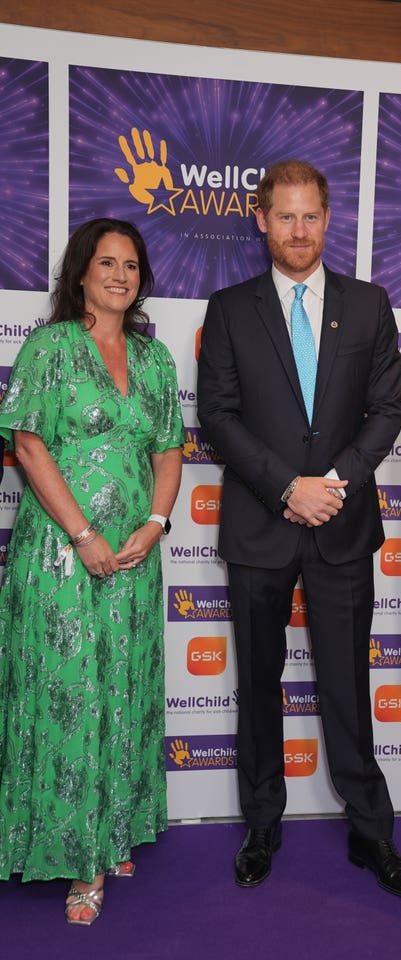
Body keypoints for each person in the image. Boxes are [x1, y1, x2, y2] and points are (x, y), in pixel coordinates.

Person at [197, 159, 401, 900]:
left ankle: (372, 832)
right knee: (258, 684)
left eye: (311, 217)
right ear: (260, 219)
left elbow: (388, 408)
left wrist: (331, 486)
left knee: (346, 688)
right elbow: (218, 415)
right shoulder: (229, 308)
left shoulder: (368, 304)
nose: (299, 231)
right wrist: (284, 487)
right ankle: (263, 823)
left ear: (328, 220)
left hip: (341, 525)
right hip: (261, 527)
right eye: (284, 216)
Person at [0, 218, 183, 924]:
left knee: (123, 694)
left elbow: (169, 452)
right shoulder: (49, 349)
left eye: (130, 265)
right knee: (69, 697)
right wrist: (82, 534)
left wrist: (154, 525)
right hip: (60, 559)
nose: (119, 275)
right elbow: (28, 444)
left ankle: (112, 832)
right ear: (80, 273)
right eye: (106, 263)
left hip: (135, 560)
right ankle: (78, 860)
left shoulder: (155, 360)